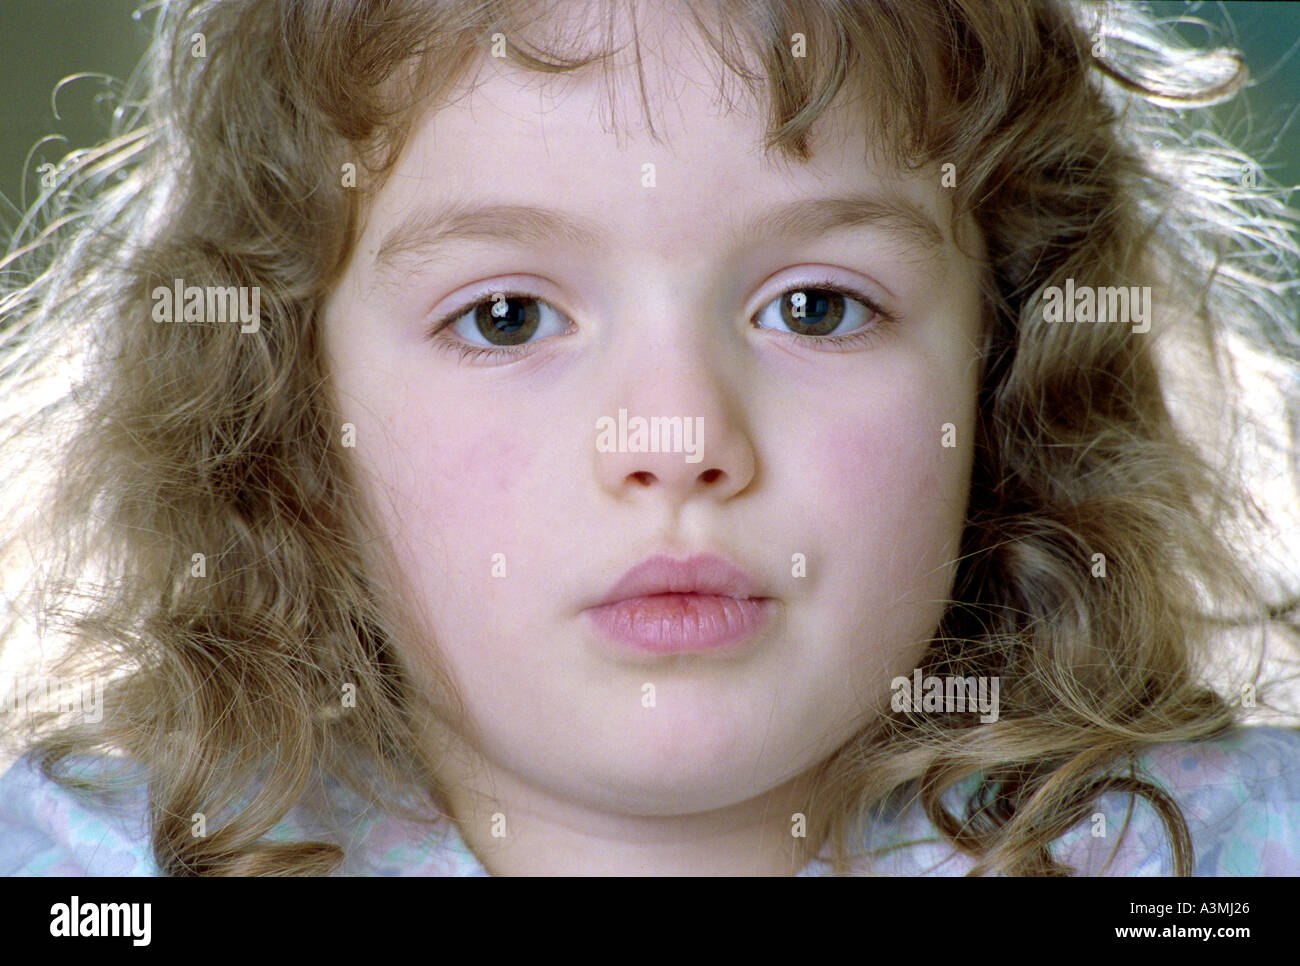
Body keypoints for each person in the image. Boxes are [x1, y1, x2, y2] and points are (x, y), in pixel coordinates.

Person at [1, 0, 1297, 876]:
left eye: (816, 305)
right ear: (290, 408)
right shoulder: (89, 867)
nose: (676, 439)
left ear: (1004, 361)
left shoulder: (1218, 854)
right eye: (507, 317)